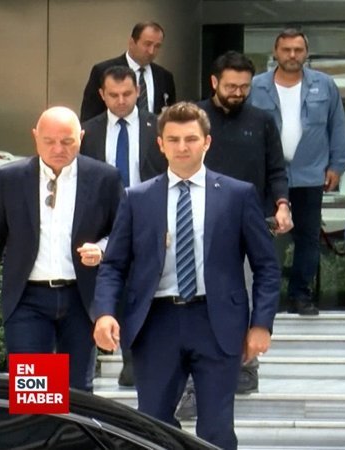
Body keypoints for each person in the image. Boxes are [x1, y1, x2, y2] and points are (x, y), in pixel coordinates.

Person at [92, 102, 280, 450]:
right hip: (156, 322)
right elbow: (114, 264)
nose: (182, 147)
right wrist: (104, 313)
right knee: (153, 426)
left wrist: (261, 324)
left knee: (217, 428)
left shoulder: (237, 195)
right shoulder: (137, 198)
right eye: (173, 139)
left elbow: (267, 266)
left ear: (207, 142)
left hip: (217, 321)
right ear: (160, 144)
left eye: (191, 139)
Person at [173, 50, 291, 420]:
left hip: (250, 221)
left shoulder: (262, 120)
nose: (238, 92)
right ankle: (192, 385)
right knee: (199, 301)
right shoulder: (192, 118)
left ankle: (246, 365)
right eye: (230, 86)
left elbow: (276, 169)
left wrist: (282, 204)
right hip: (195, 223)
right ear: (214, 82)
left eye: (244, 86)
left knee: (246, 294)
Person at [0, 106, 123, 392]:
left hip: (80, 296)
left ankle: (73, 424)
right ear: (35, 137)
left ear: (80, 137)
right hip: (28, 297)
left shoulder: (104, 178)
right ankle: (40, 423)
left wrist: (102, 249)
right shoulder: (11, 178)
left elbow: (122, 233)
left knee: (77, 391)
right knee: (36, 391)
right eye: (49, 141)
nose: (58, 149)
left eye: (67, 141)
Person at [250, 28, 345, 316]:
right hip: (267, 176)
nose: (292, 55)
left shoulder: (324, 85)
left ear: (306, 53)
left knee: (307, 239)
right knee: (265, 237)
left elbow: (337, 125)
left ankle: (300, 295)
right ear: (275, 52)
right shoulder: (256, 86)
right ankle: (265, 296)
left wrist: (337, 165)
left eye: (298, 50)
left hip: (310, 174)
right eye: (286, 50)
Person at [80, 64, 167, 388]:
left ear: (138, 92)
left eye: (127, 94)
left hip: (146, 216)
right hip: (100, 221)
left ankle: (133, 359)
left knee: (139, 286)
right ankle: (99, 352)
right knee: (105, 282)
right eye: (113, 95)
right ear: (101, 95)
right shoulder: (87, 132)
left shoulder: (158, 128)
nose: (120, 101)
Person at [81, 21, 176, 122]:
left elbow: (171, 116)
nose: (151, 51)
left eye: (157, 46)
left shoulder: (164, 76)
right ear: (132, 42)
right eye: (147, 44)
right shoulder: (103, 71)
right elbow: (89, 116)